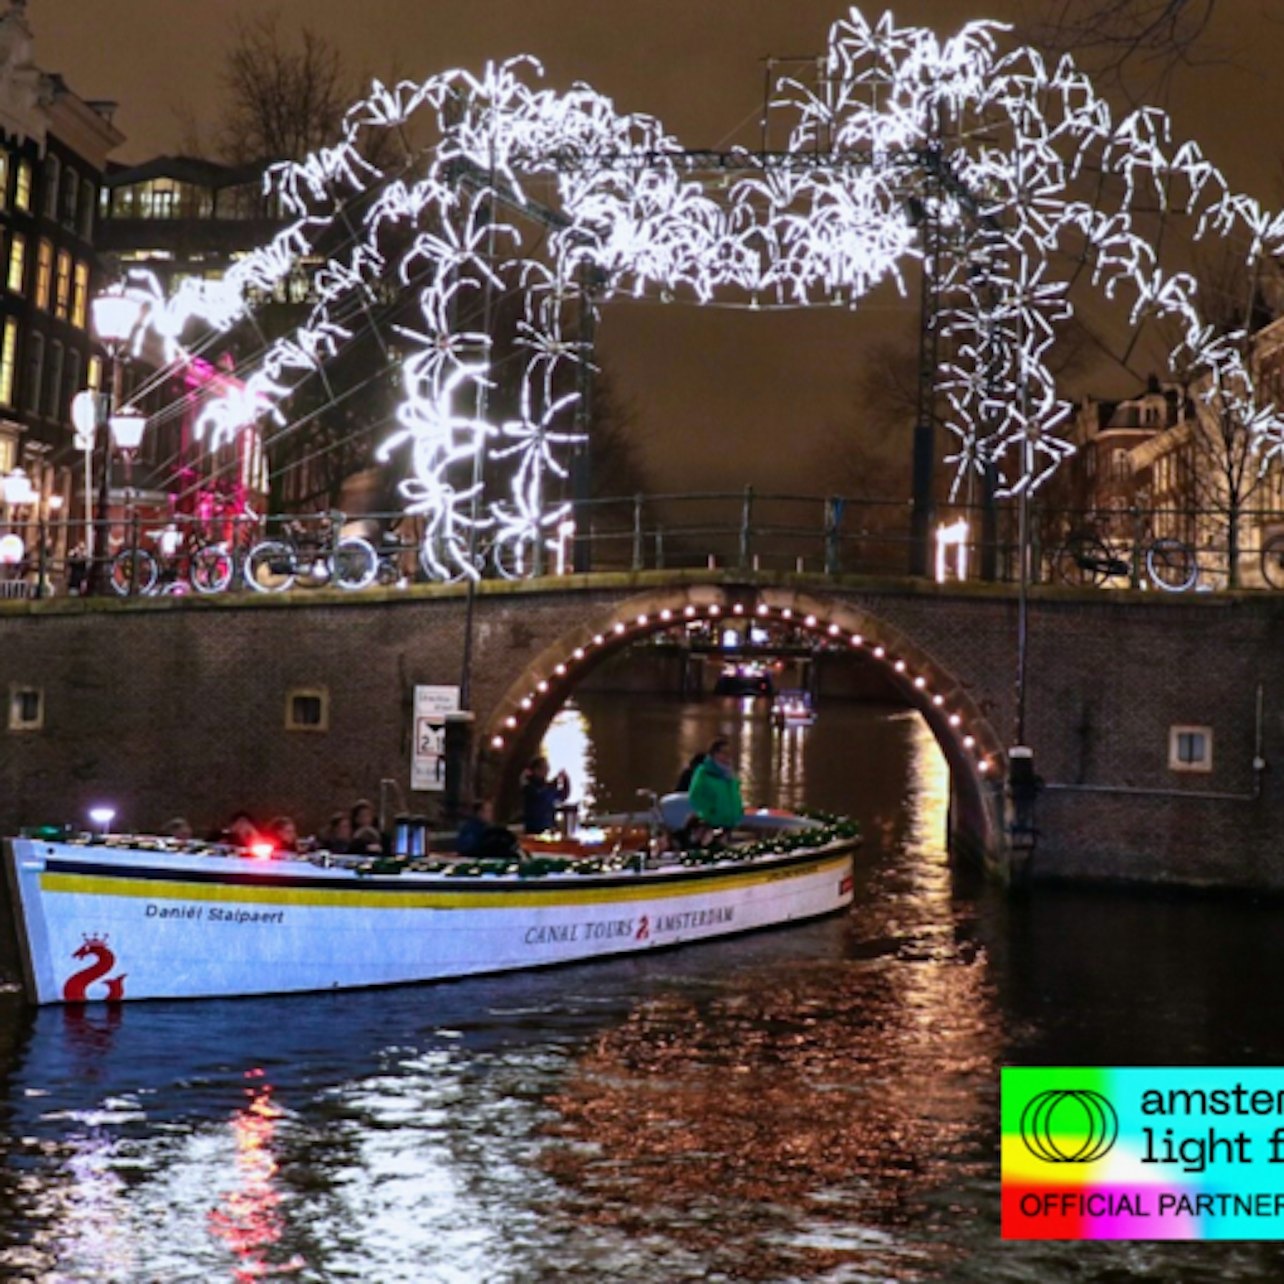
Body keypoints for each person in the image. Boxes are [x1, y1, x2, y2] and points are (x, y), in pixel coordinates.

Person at [688, 737, 744, 831]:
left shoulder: (731, 775)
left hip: (731, 823)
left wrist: (739, 812)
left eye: (729, 753)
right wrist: (710, 812)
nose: (728, 756)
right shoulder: (704, 773)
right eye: (724, 752)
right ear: (714, 754)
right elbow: (695, 795)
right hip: (713, 823)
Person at [521, 756, 569, 835]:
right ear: (536, 770)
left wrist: (565, 781)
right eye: (544, 768)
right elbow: (540, 796)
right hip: (534, 830)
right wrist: (555, 782)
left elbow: (562, 796)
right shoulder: (529, 786)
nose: (547, 770)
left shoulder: (548, 786)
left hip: (549, 829)